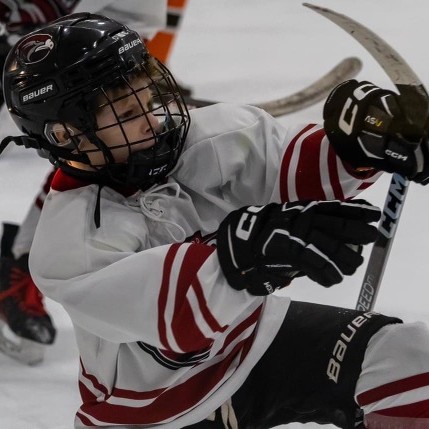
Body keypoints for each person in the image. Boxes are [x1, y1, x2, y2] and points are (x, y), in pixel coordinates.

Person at [1, 13, 429, 429]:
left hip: (251, 344)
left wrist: (362, 144)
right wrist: (246, 252)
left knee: (409, 359)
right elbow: (180, 318)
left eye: (149, 101)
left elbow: (294, 166)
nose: (153, 122)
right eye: (128, 115)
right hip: (159, 412)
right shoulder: (68, 244)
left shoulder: (202, 139)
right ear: (65, 135)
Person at [0, 0, 171, 365]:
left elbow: (139, 18)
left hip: (88, 30)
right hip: (47, 39)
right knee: (95, 140)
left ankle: (19, 265)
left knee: (104, 145)